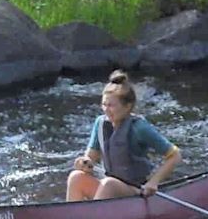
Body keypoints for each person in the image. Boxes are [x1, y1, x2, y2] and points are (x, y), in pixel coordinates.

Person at [66, 69, 181, 202]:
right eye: (104, 104)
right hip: (109, 189)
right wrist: (84, 162)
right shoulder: (100, 123)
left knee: (109, 183)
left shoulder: (140, 128)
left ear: (127, 106)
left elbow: (175, 155)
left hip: (135, 190)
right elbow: (91, 156)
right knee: (76, 177)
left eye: (111, 105)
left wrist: (154, 182)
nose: (106, 109)